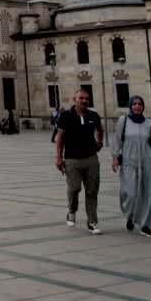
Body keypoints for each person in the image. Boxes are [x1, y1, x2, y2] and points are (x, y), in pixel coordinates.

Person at [111, 96, 151, 237]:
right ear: (130, 106)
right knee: (130, 193)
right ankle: (131, 215)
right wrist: (114, 158)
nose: (137, 106)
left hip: (147, 162)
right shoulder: (123, 121)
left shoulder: (149, 123)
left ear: (143, 106)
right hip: (129, 163)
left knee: (149, 194)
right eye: (134, 104)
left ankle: (146, 225)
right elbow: (117, 140)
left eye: (140, 104)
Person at [55, 89, 104, 235]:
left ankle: (92, 221)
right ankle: (72, 210)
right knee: (74, 188)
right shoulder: (66, 115)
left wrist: (99, 142)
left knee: (92, 190)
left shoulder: (93, 115)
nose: (84, 101)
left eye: (86, 98)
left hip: (91, 158)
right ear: (74, 99)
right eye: (81, 98)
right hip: (72, 159)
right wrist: (59, 157)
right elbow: (61, 137)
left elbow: (100, 129)